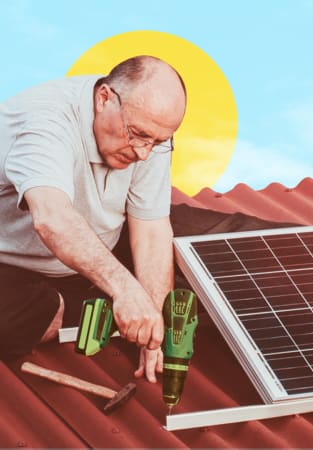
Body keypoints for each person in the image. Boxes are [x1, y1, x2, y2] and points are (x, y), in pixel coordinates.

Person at [0, 55, 185, 383]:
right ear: (104, 99)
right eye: (139, 135)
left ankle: (98, 306)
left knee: (208, 259)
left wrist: (154, 318)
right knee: (8, 322)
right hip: (14, 265)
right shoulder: (44, 122)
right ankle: (78, 307)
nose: (143, 152)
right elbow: (52, 219)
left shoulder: (148, 131)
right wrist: (127, 290)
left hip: (101, 244)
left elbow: (152, 229)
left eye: (156, 142)